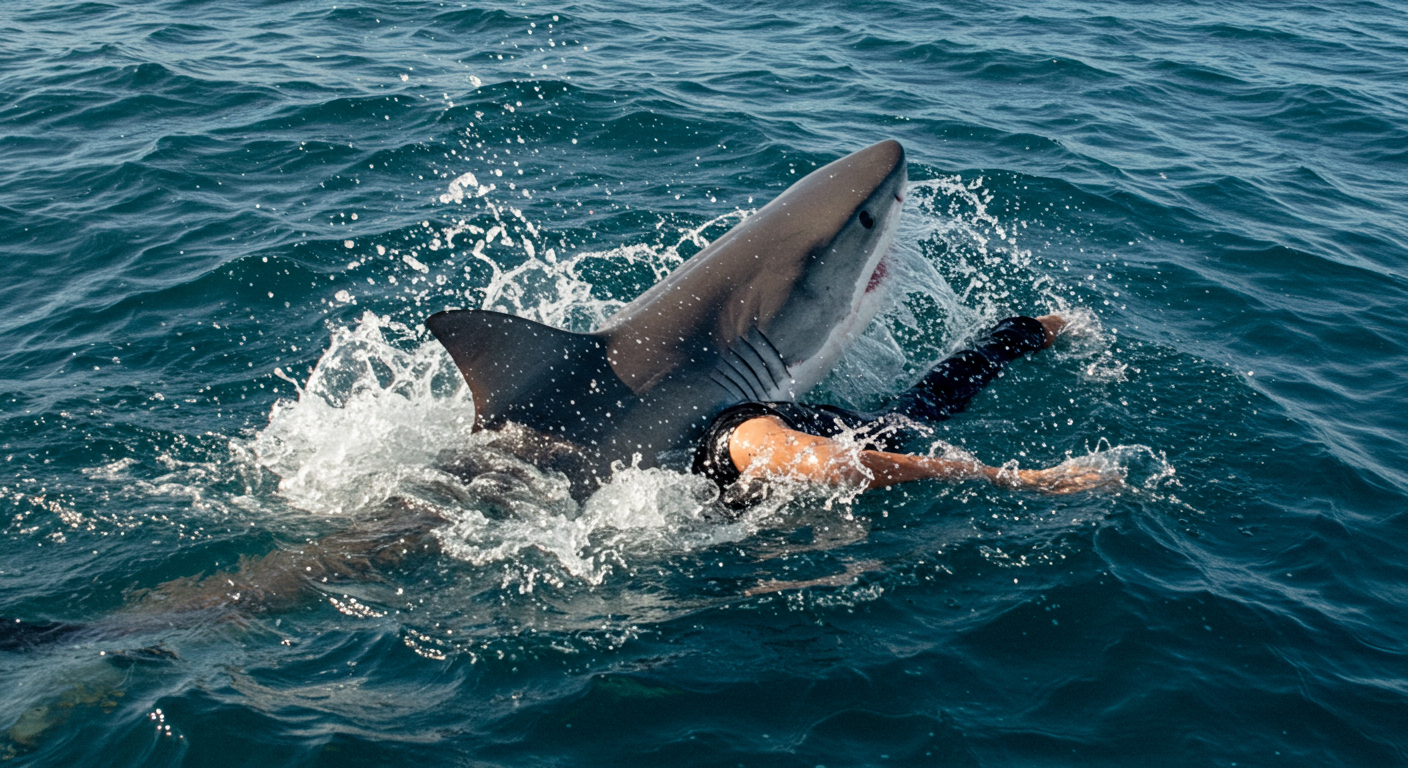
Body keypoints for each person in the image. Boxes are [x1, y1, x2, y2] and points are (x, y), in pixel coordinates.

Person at [693, 314, 1117, 507]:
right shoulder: (716, 491)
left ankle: (1029, 329)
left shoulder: (745, 441)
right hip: (789, 435)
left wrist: (1014, 478)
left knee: (937, 393)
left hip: (856, 432)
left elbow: (840, 466)